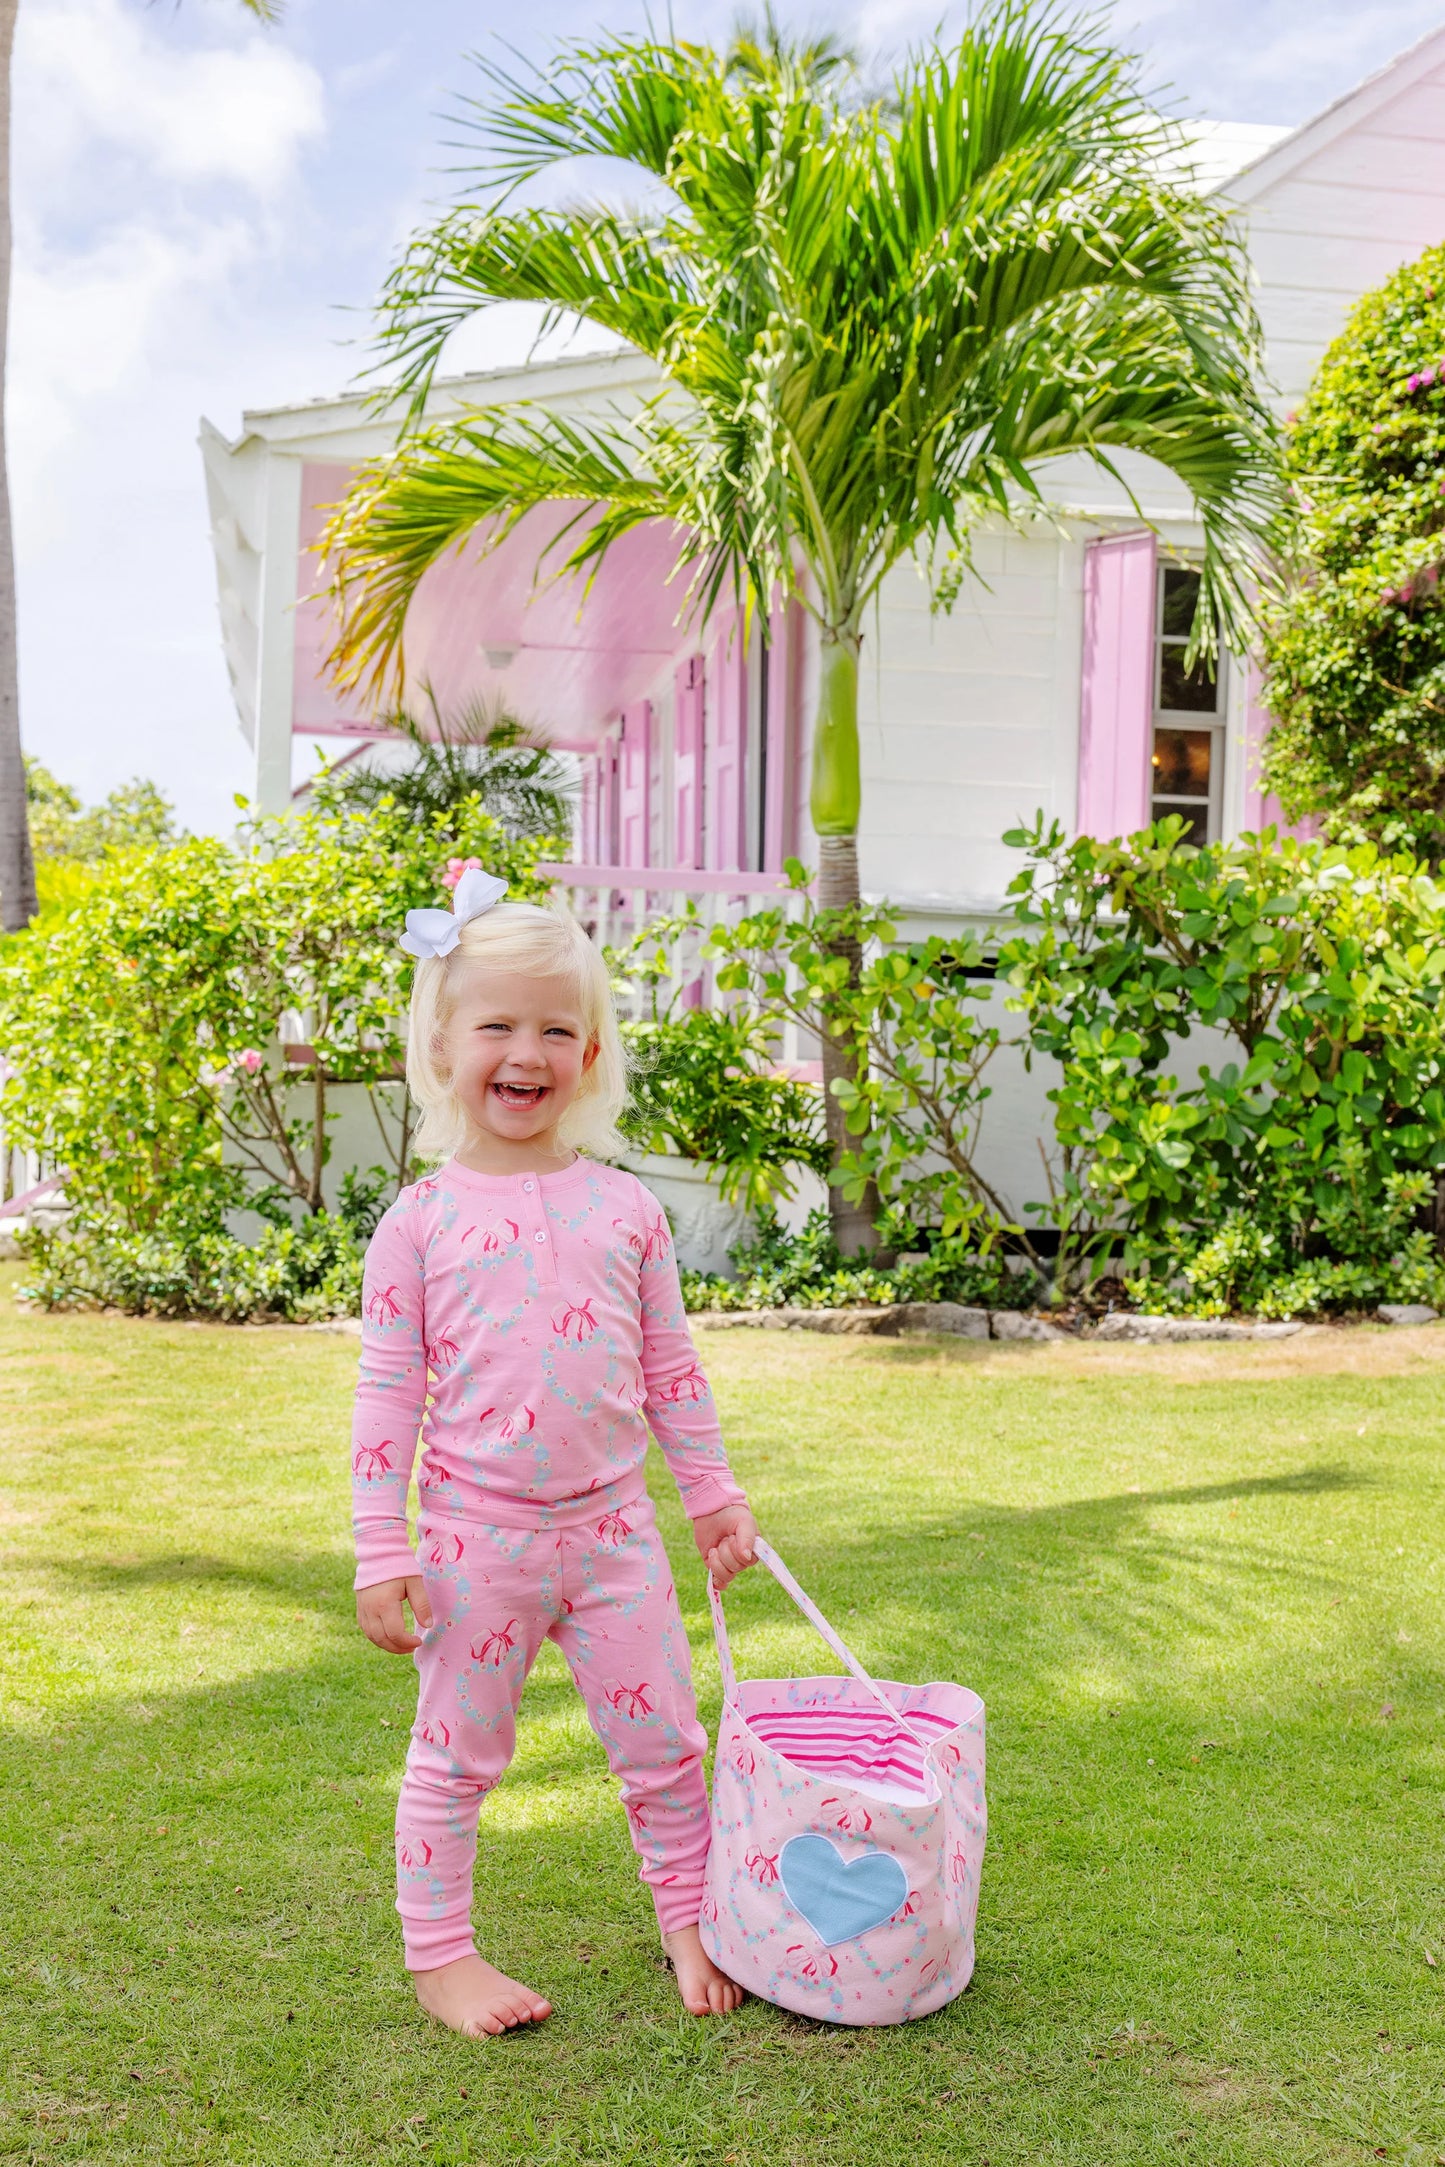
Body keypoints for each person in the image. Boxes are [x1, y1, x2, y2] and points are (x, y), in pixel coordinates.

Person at [351, 869, 757, 2038]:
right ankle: (442, 1956)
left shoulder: (625, 1209)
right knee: (454, 1754)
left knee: (667, 1743)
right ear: (440, 1043)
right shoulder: (417, 1223)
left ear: (588, 1053)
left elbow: (672, 1372)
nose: (524, 1050)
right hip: (476, 1540)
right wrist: (383, 1549)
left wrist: (713, 1496)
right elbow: (387, 1398)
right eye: (496, 1024)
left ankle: (690, 1916)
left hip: (616, 1532)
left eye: (554, 1028)